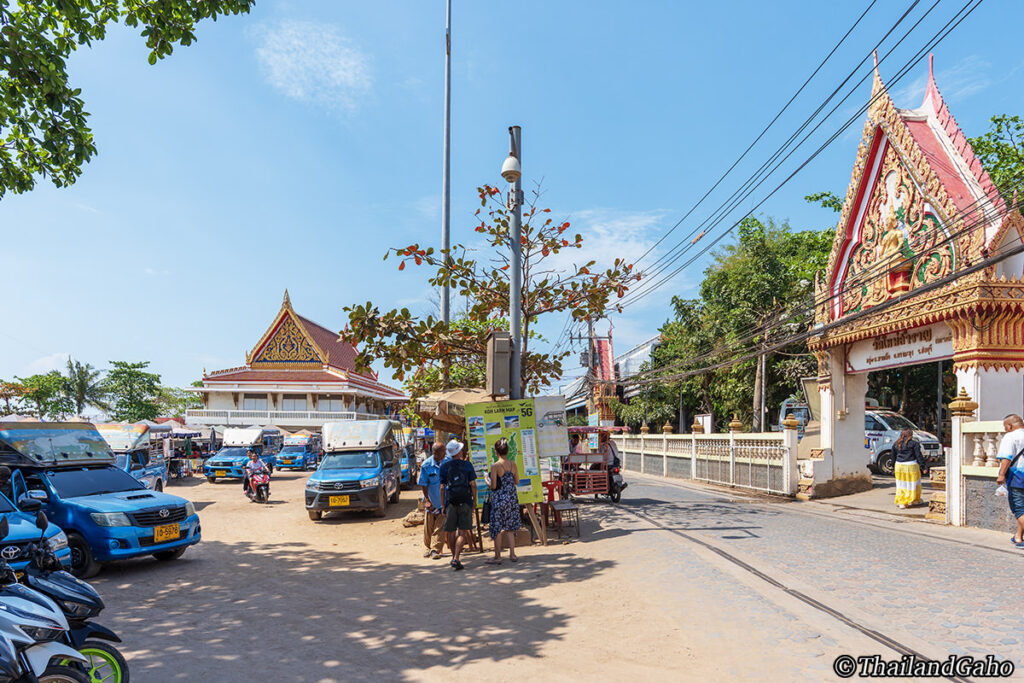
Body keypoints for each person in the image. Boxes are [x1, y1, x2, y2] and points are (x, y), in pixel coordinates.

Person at [439, 440, 476, 571]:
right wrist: (474, 501)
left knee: (451, 532)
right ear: (459, 451)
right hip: (465, 500)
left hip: (450, 502)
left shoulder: (444, 467)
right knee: (463, 531)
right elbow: (473, 484)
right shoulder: (467, 465)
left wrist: (443, 505)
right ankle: (456, 558)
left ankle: (453, 557)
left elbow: (442, 487)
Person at [486, 438, 521, 565]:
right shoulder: (513, 464)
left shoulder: (495, 466)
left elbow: (494, 486)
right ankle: (512, 554)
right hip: (512, 499)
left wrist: (487, 480)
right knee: (510, 528)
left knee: (497, 528)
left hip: (499, 500)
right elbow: (516, 481)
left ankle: (497, 556)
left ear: (496, 452)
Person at [996, 414, 1024, 548]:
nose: (1005, 429)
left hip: (1018, 477)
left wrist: (1001, 474)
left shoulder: (1010, 437)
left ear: (1010, 426)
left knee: (1019, 509)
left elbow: (1006, 458)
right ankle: (1018, 537)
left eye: (1005, 426)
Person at [417, 442, 449, 559]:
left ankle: (436, 549)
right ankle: (428, 548)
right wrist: (427, 500)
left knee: (440, 526)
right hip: (431, 500)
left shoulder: (447, 462)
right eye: (442, 451)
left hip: (444, 502)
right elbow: (424, 484)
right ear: (436, 453)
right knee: (428, 526)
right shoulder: (426, 465)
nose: (445, 453)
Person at [892, 428, 926, 509]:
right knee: (913, 484)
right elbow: (918, 456)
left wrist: (894, 466)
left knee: (901, 484)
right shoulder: (914, 444)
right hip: (911, 466)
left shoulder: (896, 444)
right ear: (910, 435)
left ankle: (902, 502)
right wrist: (923, 466)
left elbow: (893, 456)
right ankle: (914, 500)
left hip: (899, 466)